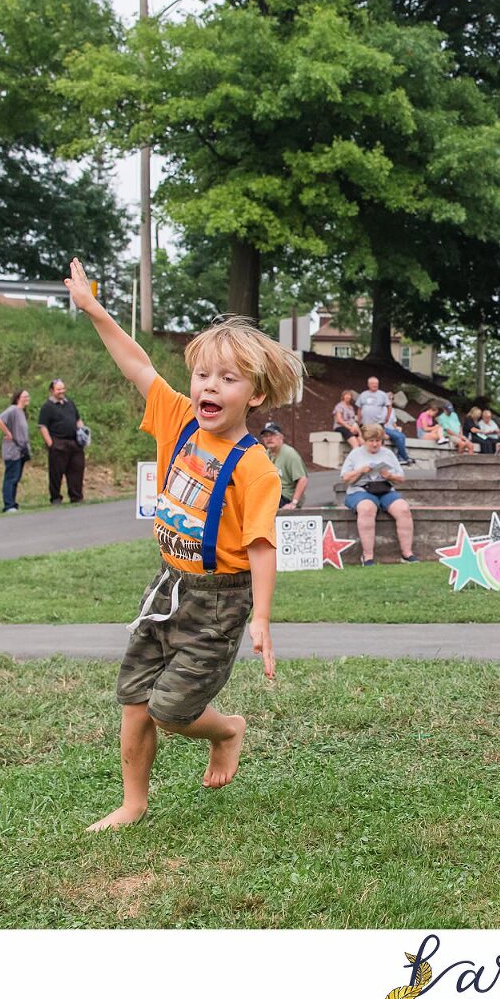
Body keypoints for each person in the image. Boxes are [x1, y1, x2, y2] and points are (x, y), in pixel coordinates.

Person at [62, 258, 301, 832]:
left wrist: (262, 617)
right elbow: (137, 364)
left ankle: (226, 729)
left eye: (227, 379)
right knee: (135, 695)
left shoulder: (256, 469)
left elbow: (264, 545)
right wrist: (95, 310)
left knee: (171, 711)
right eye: (203, 375)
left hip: (220, 599)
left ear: (256, 394)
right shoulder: (179, 420)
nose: (209, 387)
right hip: (168, 584)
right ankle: (133, 802)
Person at [342, 424, 418, 565]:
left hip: (385, 489)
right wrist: (361, 471)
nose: (375, 444)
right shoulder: (355, 454)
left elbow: (401, 478)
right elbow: (345, 478)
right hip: (360, 490)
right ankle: (368, 556)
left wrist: (388, 475)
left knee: (403, 509)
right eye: (371, 440)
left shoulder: (388, 454)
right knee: (367, 508)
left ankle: (407, 553)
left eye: (378, 440)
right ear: (364, 440)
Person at [38, 377, 88, 504]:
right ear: (52, 391)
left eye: (63, 388)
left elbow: (78, 419)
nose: (61, 391)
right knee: (56, 473)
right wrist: (51, 444)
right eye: (58, 389)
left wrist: (83, 433)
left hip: (74, 443)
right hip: (58, 443)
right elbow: (42, 426)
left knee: (77, 470)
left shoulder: (70, 403)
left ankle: (76, 497)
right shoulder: (47, 407)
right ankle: (55, 498)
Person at [356, 376, 413, 464]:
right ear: (368, 384)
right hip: (366, 424)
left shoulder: (382, 394)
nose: (375, 385)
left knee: (379, 441)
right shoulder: (363, 394)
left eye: (377, 384)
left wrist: (387, 417)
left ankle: (385, 460)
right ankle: (366, 460)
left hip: (379, 423)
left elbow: (389, 406)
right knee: (368, 441)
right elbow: (359, 408)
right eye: (373, 384)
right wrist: (359, 421)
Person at [0, 389, 32, 513]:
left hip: (21, 450)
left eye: (28, 396)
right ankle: (8, 505)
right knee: (11, 477)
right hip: (12, 450)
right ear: (18, 398)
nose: (27, 398)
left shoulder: (22, 412)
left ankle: (13, 502)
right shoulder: (13, 410)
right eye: (24, 396)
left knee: (16, 477)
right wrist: (8, 433)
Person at [259, 421, 308, 511]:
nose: (269, 438)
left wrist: (293, 503)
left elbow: (303, 480)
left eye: (272, 435)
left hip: (286, 496)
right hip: (271, 494)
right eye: (266, 436)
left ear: (281, 437)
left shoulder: (289, 454)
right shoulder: (266, 454)